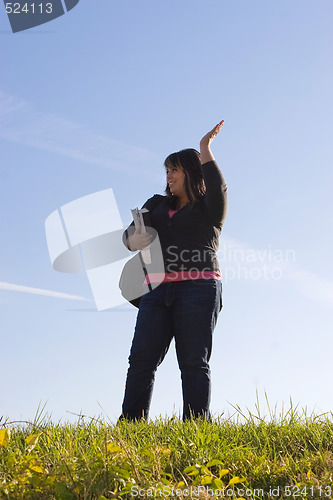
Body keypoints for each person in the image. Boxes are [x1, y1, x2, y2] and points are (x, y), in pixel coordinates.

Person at [119, 120, 228, 421]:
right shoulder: (155, 204)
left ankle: (194, 427)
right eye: (166, 170)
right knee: (141, 359)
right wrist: (132, 240)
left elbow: (218, 187)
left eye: (174, 169)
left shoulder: (209, 208)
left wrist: (205, 149)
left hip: (199, 288)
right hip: (156, 291)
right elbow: (129, 233)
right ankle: (130, 426)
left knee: (194, 362)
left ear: (191, 172)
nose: (168, 176)